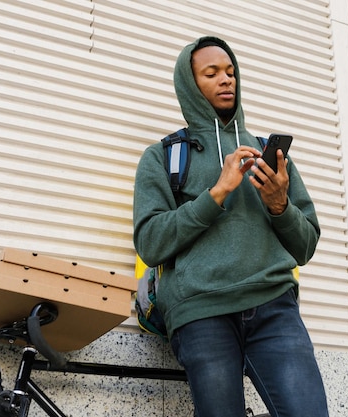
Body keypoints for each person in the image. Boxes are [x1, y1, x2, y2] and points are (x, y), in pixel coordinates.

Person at [133, 36, 329, 417]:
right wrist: (216, 194)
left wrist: (279, 205)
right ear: (190, 85)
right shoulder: (164, 157)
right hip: (201, 313)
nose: (226, 80)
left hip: (275, 307)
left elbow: (305, 246)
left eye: (231, 72)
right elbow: (150, 242)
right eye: (211, 73)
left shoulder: (267, 153)